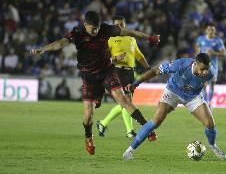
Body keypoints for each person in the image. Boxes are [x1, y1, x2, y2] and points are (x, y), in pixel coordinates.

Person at [31, 11, 159, 155]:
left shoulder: (105, 29)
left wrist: (149, 37)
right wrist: (44, 49)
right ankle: (89, 137)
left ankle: (147, 129)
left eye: (97, 28)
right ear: (85, 25)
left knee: (123, 99)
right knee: (88, 115)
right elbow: (61, 42)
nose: (95, 31)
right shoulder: (77, 33)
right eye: (93, 28)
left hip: (107, 71)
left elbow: (128, 31)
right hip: (89, 76)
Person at [123, 53, 226, 160]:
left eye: (207, 69)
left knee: (210, 124)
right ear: (195, 64)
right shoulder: (182, 64)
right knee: (156, 121)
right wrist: (135, 84)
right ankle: (130, 150)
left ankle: (213, 146)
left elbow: (203, 83)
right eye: (203, 69)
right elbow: (155, 71)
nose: (205, 72)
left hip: (192, 96)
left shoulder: (210, 72)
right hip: (173, 92)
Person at [96, 15, 151, 138]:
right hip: (116, 71)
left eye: (122, 24)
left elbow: (139, 55)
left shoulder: (131, 39)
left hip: (129, 73)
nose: (119, 27)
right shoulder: (109, 40)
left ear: (125, 25)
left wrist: (148, 69)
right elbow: (101, 59)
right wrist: (115, 58)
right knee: (127, 101)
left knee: (125, 103)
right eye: (117, 25)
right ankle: (129, 131)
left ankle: (103, 123)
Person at [194, 23, 226, 106]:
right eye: (209, 29)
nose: (211, 31)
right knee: (203, 84)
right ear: (206, 30)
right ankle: (205, 102)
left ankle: (209, 102)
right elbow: (197, 47)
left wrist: (213, 52)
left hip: (213, 66)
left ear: (215, 31)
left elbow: (224, 53)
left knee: (212, 84)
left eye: (212, 30)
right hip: (202, 66)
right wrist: (198, 56)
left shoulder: (218, 40)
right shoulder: (201, 39)